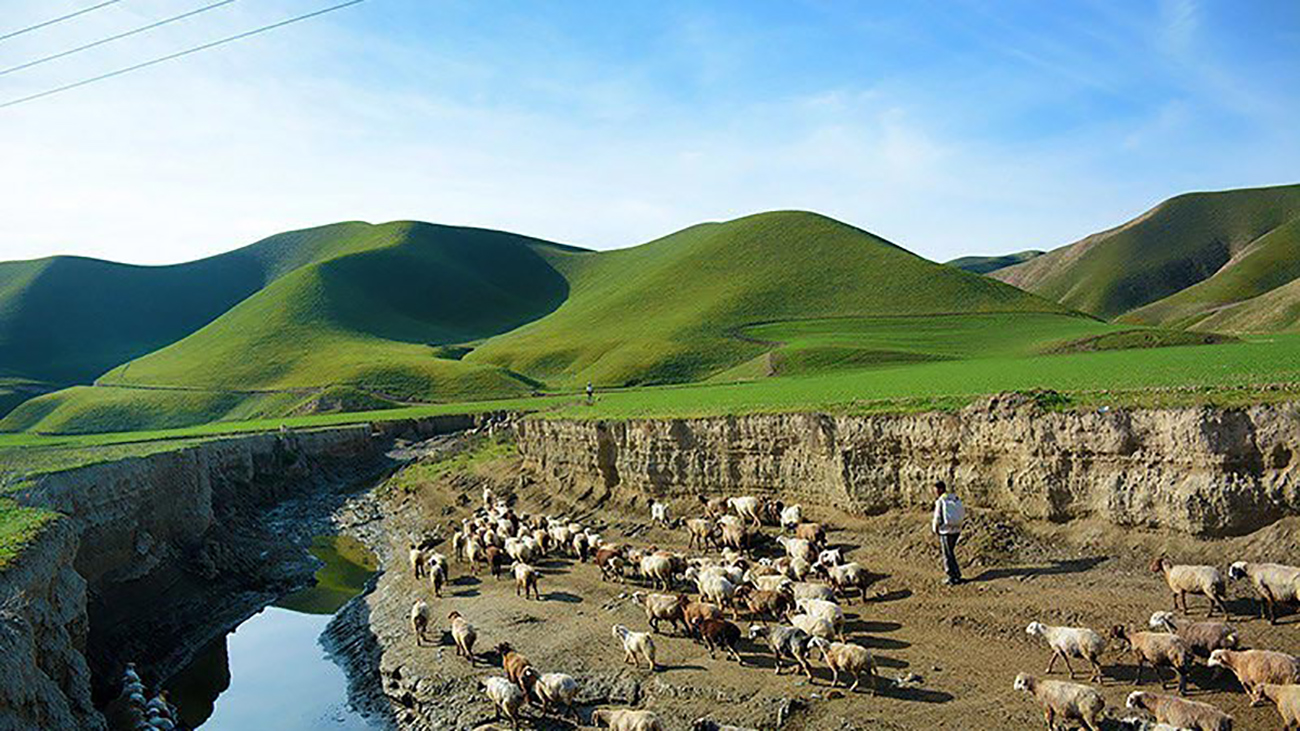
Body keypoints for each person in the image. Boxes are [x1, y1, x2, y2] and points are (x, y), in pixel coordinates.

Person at [930, 479, 965, 585]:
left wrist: (935, 529)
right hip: (957, 530)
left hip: (946, 531)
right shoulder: (954, 498)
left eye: (935, 490)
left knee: (947, 554)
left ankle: (952, 576)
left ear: (940, 489)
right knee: (950, 553)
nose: (935, 492)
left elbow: (938, 517)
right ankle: (956, 575)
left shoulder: (941, 500)